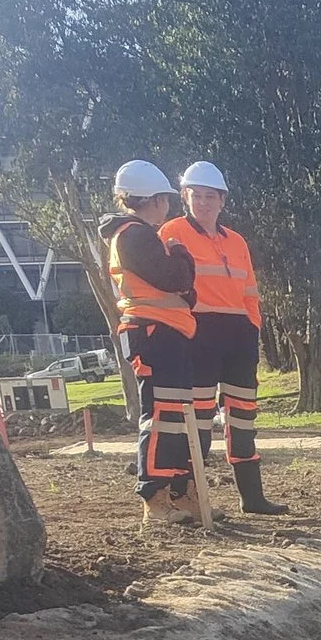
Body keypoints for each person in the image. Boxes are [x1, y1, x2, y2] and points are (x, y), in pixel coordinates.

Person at [163, 161, 288, 514]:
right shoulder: (172, 232)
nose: (203, 203)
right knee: (199, 419)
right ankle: (191, 499)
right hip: (198, 334)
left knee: (243, 416)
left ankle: (253, 498)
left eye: (209, 196)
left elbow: (250, 290)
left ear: (222, 200)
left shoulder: (237, 241)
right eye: (196, 195)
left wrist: (253, 326)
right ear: (186, 197)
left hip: (238, 336)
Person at [99, 160, 200, 522]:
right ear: (154, 200)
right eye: (166, 200)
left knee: (172, 415)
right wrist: (182, 256)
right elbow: (175, 279)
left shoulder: (139, 236)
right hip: (153, 334)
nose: (169, 207)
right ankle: (154, 497)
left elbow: (183, 290)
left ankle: (179, 491)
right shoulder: (134, 236)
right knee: (160, 416)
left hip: (165, 332)